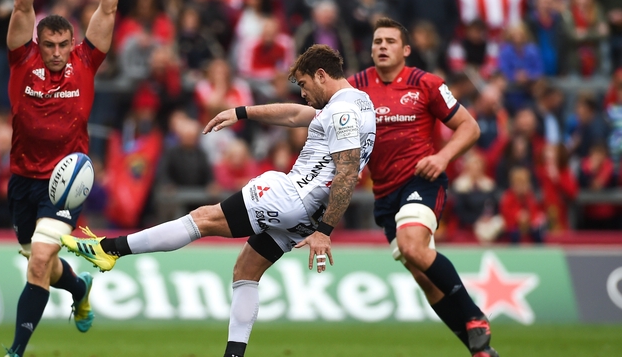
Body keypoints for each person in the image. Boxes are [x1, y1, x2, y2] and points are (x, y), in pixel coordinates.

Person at [62, 44, 376, 357]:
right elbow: (296, 114)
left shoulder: (341, 112)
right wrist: (241, 112)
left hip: (291, 195)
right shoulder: (357, 103)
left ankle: (108, 249)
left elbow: (348, 173)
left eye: (305, 85)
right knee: (246, 271)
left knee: (202, 219)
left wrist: (325, 231)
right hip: (307, 211)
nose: (303, 93)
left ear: (321, 75)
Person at [2, 0, 118, 357]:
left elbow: (107, 8)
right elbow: (20, 8)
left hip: (65, 182)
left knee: (36, 264)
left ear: (72, 44)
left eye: (61, 45)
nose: (54, 53)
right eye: (47, 45)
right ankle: (78, 287)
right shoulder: (21, 59)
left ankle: (15, 351)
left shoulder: (86, 63)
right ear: (39, 42)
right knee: (45, 266)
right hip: (22, 179)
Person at [347, 18, 497, 357]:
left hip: (422, 180)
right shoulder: (354, 88)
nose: (382, 46)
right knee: (424, 280)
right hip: (384, 194)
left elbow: (469, 128)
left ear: (406, 50)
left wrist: (442, 157)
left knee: (412, 245)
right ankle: (481, 351)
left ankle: (475, 315)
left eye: (390, 41)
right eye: (377, 42)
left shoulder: (425, 83)